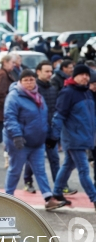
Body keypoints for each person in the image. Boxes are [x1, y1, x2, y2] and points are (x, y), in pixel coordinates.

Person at [2, 70, 66, 210]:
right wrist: (17, 136)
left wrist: (49, 135)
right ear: (20, 82)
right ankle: (7, 197)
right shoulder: (14, 97)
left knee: (40, 170)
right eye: (26, 80)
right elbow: (10, 118)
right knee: (15, 170)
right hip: (20, 142)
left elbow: (43, 118)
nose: (29, 83)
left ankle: (48, 199)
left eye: (31, 79)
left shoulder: (38, 96)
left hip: (37, 142)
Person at [22, 61, 77, 195]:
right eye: (46, 71)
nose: (49, 74)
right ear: (38, 72)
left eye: (51, 71)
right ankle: (28, 181)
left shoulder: (52, 88)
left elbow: (55, 110)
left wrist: (55, 129)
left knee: (54, 158)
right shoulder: (34, 90)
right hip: (36, 131)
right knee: (34, 159)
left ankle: (60, 186)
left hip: (50, 130)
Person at [51, 64, 96, 208]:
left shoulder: (87, 92)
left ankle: (57, 192)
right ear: (74, 76)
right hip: (73, 138)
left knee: (68, 166)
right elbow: (59, 116)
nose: (85, 77)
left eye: (87, 75)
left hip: (84, 137)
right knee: (84, 169)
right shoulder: (68, 92)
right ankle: (94, 198)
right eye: (82, 74)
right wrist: (54, 136)